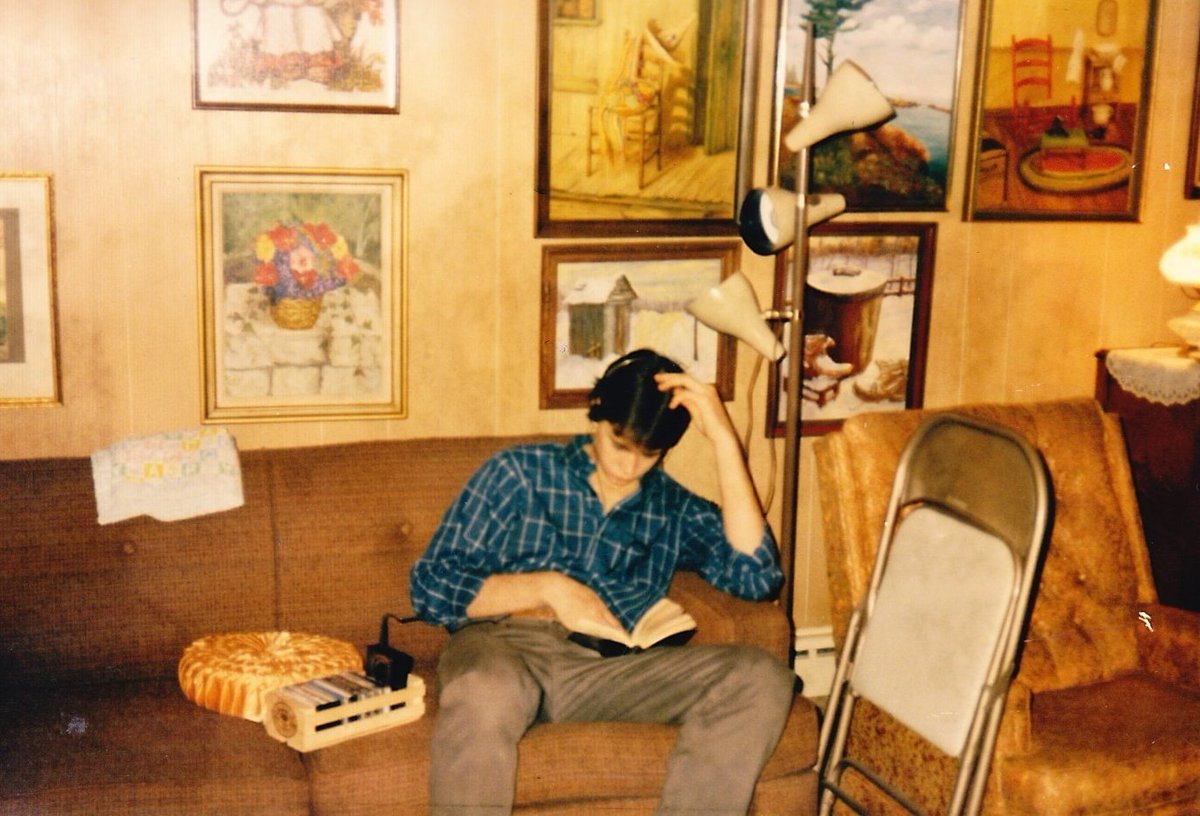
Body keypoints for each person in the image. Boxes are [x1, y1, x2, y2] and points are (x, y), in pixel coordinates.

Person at [409, 349, 795, 816]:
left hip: (607, 671)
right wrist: (548, 587)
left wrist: (724, 441)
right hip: (505, 647)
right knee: (485, 692)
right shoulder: (520, 472)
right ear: (597, 414)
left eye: (649, 455)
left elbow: (757, 577)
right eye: (620, 444)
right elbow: (431, 586)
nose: (630, 467)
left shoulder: (672, 507)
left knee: (761, 676)